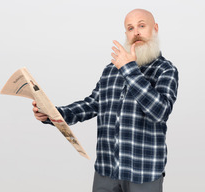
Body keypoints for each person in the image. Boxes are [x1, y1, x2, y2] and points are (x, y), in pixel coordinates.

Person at [33, 8, 178, 192]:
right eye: (130, 28)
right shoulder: (111, 69)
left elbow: (160, 112)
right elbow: (92, 104)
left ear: (155, 28)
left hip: (143, 173)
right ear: (126, 33)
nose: (136, 32)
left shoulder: (166, 70)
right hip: (106, 171)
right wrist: (51, 113)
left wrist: (129, 69)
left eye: (142, 25)